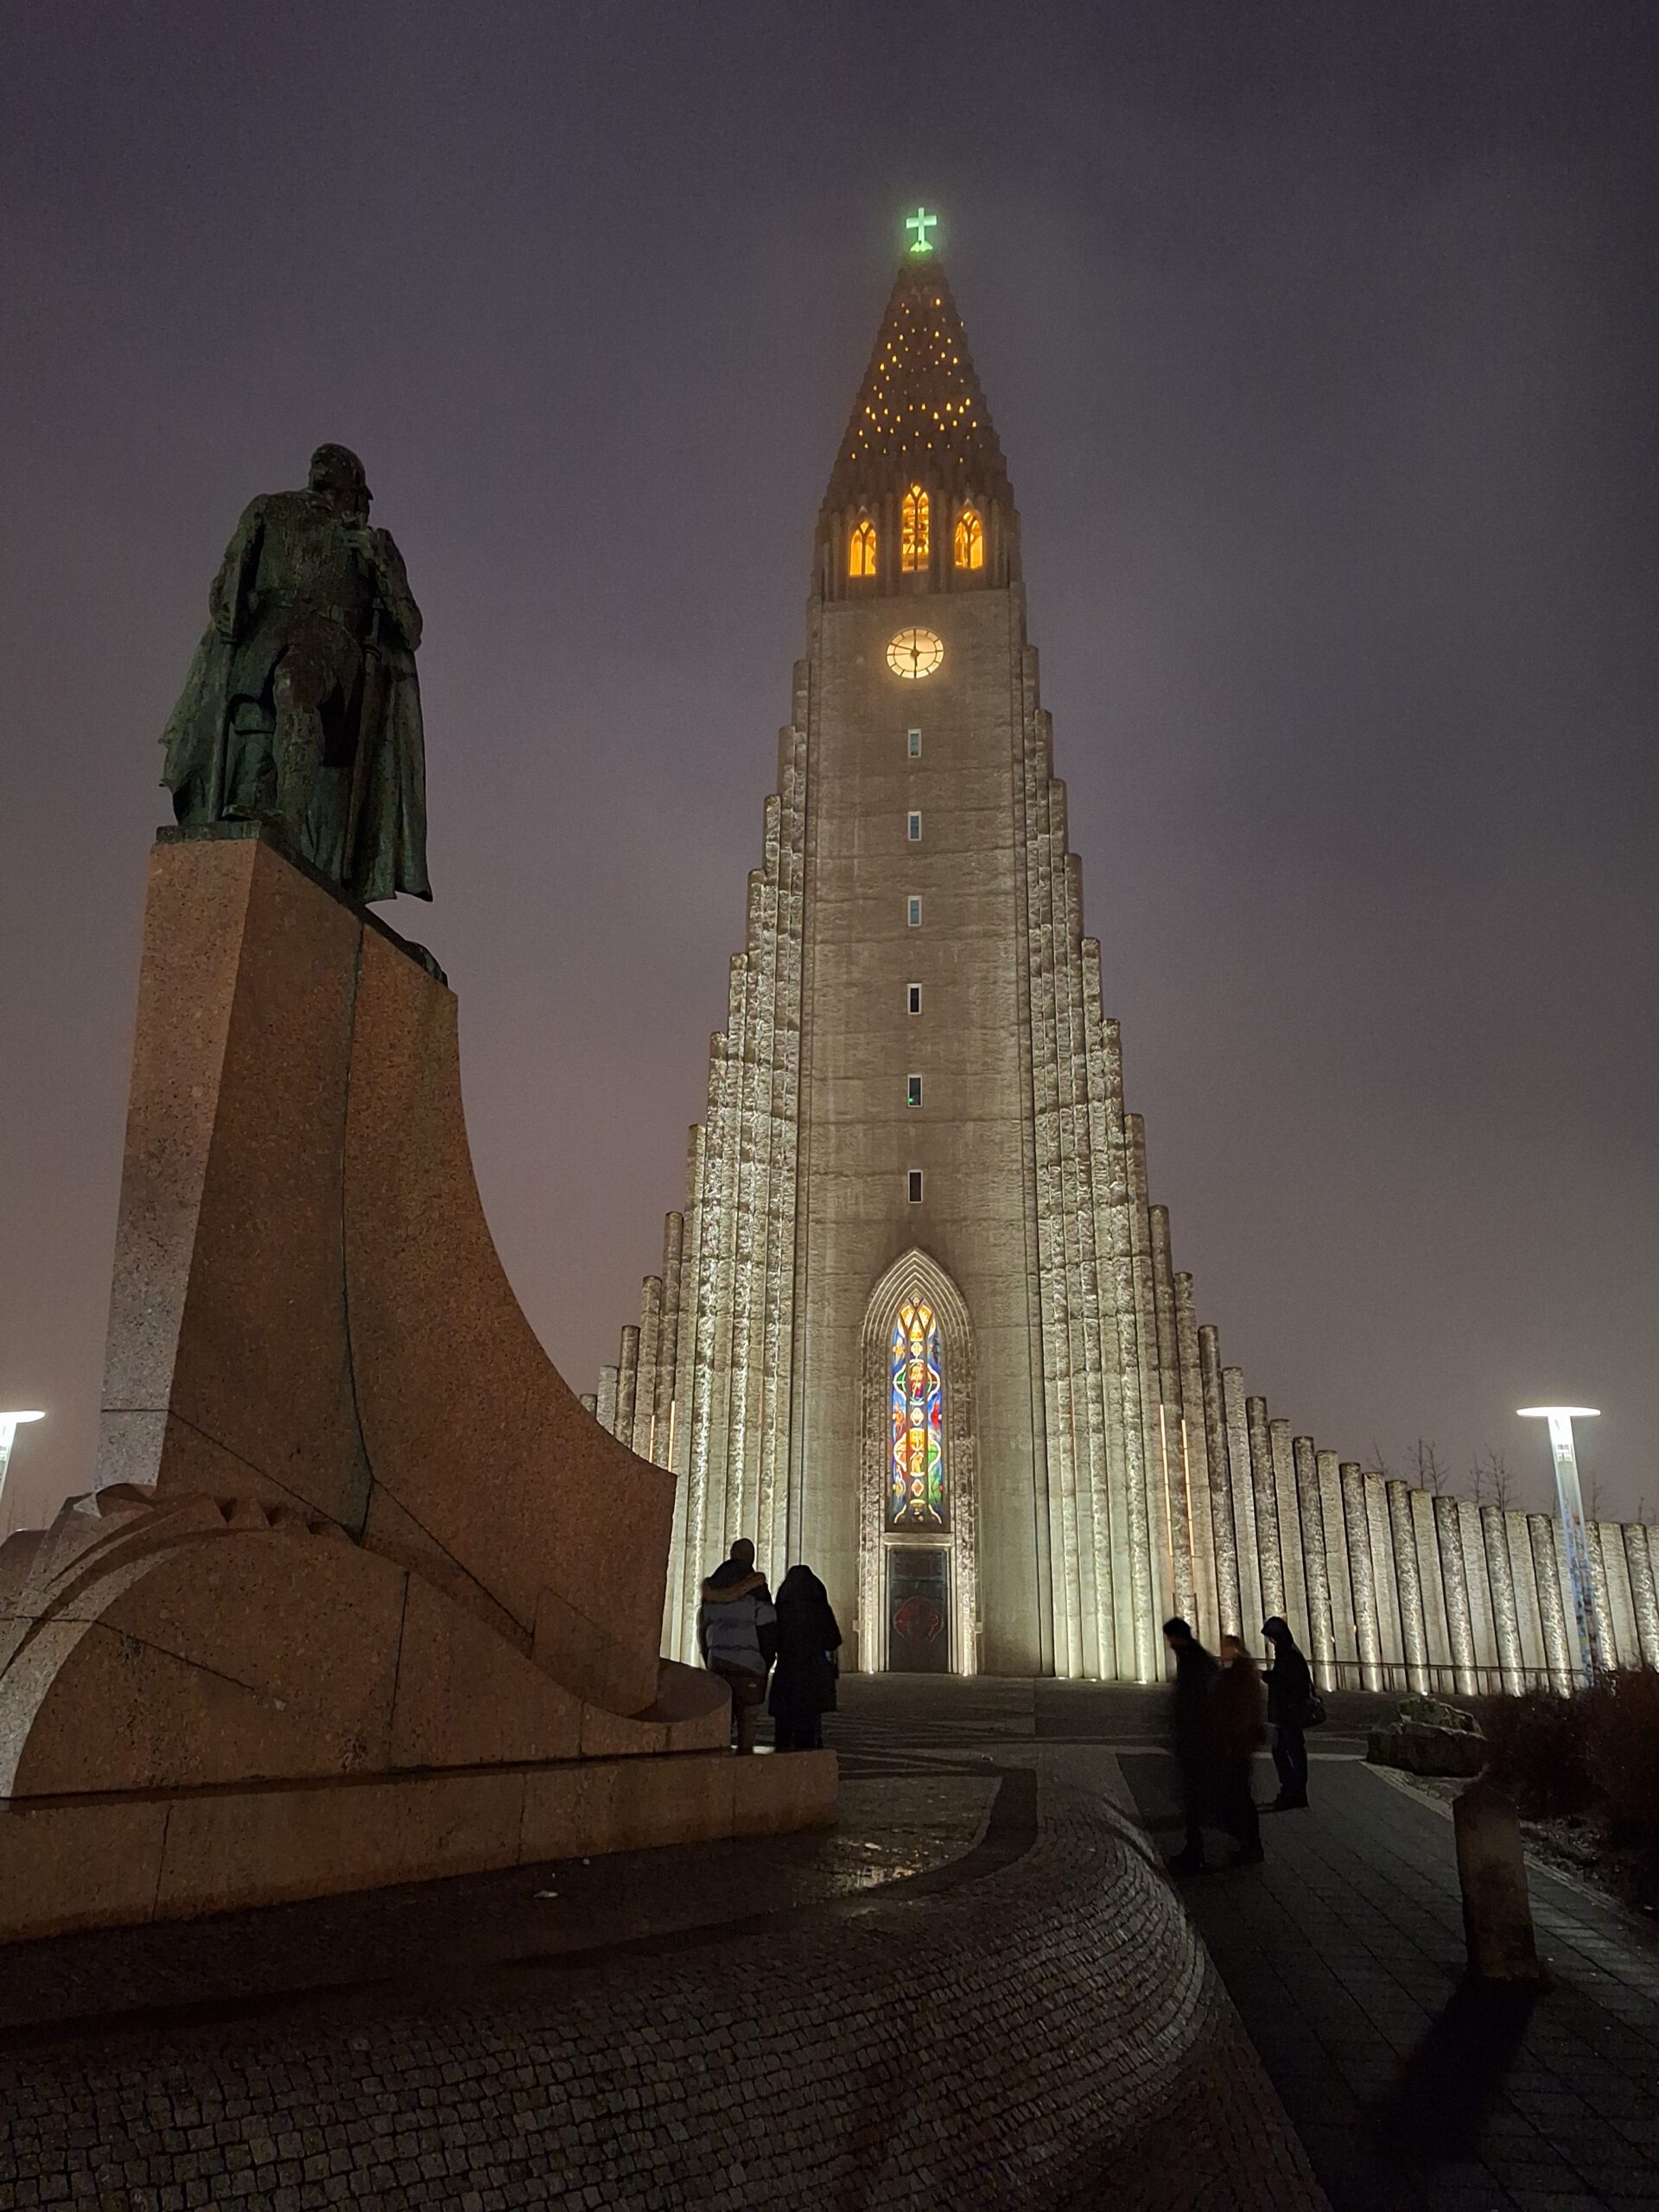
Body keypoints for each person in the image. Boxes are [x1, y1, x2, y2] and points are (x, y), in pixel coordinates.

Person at [696, 1538, 776, 1754]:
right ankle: (744, 1765)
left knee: (721, 1723)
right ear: (751, 1558)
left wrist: (710, 1660)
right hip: (749, 1668)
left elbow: (702, 1631)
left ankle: (718, 1766)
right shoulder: (758, 1591)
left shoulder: (712, 1589)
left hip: (719, 1666)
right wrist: (765, 1662)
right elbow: (768, 1631)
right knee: (747, 1724)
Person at [1163, 1618, 1219, 1875]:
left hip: (1197, 1740)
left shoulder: (1194, 1661)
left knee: (1195, 1797)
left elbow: (1196, 1702)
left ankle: (1196, 1853)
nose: (1169, 1644)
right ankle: (1194, 1849)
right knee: (1194, 1798)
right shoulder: (1197, 1658)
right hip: (1196, 1739)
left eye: (1170, 1638)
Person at [769, 1564, 842, 1751]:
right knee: (808, 1724)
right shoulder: (819, 1608)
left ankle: (781, 1759)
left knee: (783, 1727)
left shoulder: (780, 1609)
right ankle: (807, 1760)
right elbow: (833, 1639)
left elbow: (771, 1640)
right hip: (813, 1673)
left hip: (786, 1673)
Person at [1213, 1634, 1267, 1866]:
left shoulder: (1240, 1673)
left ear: (1233, 1648)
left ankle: (1250, 1844)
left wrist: (1231, 1736)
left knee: (1240, 1793)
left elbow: (1240, 1710)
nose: (1222, 1651)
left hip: (1238, 1741)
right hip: (1241, 1741)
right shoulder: (1242, 1671)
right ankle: (1246, 1841)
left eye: (1225, 1647)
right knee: (1239, 1791)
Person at [1262, 1615, 1313, 1809]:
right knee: (1286, 1751)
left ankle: (1295, 1792)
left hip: (1289, 1713)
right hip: (1286, 1713)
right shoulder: (1288, 1652)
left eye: (1271, 1637)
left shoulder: (1289, 1655)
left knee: (1290, 1752)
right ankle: (1292, 1791)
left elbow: (1284, 1681)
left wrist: (1264, 1675)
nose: (1271, 1642)